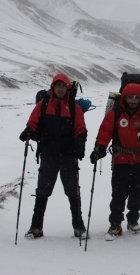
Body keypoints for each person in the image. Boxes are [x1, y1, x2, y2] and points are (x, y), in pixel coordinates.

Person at [89, 83, 140, 240]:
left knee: (138, 192)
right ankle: (115, 224)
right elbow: (105, 132)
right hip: (121, 160)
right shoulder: (116, 113)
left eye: (136, 98)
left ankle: (133, 220)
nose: (133, 100)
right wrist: (99, 148)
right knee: (119, 193)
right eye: (130, 97)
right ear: (124, 98)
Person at [19, 74, 87, 239]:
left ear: (67, 88)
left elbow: (81, 130)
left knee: (72, 192)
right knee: (42, 191)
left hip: (68, 156)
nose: (60, 89)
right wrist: (28, 131)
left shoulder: (73, 107)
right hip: (48, 155)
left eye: (63, 86)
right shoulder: (43, 105)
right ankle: (36, 227)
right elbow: (33, 123)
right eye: (57, 86)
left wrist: (79, 148)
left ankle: (79, 227)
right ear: (52, 88)